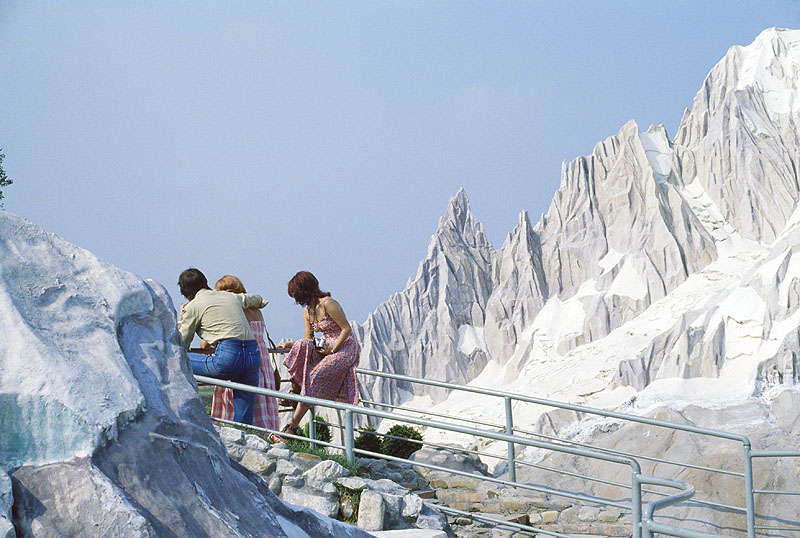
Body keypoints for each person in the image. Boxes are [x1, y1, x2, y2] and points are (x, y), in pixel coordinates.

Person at [178, 268, 267, 425]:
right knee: (244, 419)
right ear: (205, 283)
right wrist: (261, 302)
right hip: (253, 354)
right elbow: (254, 298)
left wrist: (182, 317)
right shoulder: (229, 296)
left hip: (228, 356)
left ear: (185, 291)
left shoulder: (193, 306)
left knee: (178, 358)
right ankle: (244, 439)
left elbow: (181, 344)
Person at [279, 271, 360, 435]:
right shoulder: (307, 311)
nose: (296, 300)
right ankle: (295, 389)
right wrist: (291, 344)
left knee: (314, 376)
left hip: (344, 346)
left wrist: (333, 350)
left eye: (297, 294)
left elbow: (346, 329)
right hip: (324, 344)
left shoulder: (328, 303)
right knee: (302, 344)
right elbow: (308, 339)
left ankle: (292, 426)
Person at [208, 275, 280, 432]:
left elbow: (207, 342)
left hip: (240, 359)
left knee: (237, 401)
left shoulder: (231, 311)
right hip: (261, 362)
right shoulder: (256, 311)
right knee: (260, 400)